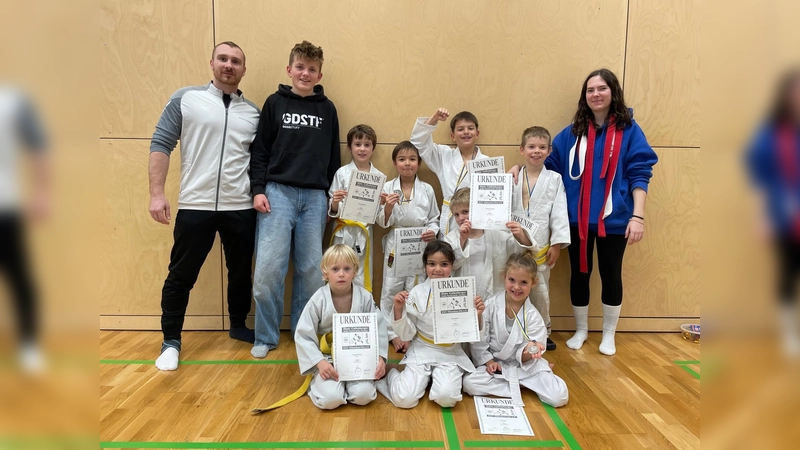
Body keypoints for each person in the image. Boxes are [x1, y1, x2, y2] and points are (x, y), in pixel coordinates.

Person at [149, 41, 260, 371]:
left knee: (241, 272)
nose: (229, 65)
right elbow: (161, 143)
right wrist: (157, 193)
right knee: (181, 274)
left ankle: (238, 325)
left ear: (243, 69)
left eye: (236, 61)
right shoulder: (186, 99)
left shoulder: (253, 112)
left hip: (239, 207)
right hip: (195, 205)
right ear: (211, 62)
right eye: (223, 59)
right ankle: (171, 341)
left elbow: (259, 161)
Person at [537, 68, 657, 356]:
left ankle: (608, 334)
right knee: (579, 274)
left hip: (614, 221)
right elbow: (548, 166)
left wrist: (637, 217)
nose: (596, 94)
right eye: (590, 90)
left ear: (612, 92)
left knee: (610, 273)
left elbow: (640, 173)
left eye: (602, 88)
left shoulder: (629, 131)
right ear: (585, 96)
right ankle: (581, 330)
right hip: (576, 221)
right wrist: (520, 168)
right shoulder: (572, 133)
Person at [249, 40, 341, 359]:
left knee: (311, 272)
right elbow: (260, 150)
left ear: (319, 74)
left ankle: (304, 335)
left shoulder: (327, 109)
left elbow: (333, 157)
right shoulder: (275, 103)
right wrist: (258, 189)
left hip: (316, 197)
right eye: (300, 67)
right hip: (277, 193)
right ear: (290, 70)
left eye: (311, 69)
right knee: (268, 270)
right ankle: (266, 335)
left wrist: (331, 199)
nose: (305, 73)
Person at [376, 240, 485, 409]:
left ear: (452, 265)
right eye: (432, 264)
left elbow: (473, 337)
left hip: (450, 351)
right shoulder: (417, 293)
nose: (438, 270)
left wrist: (477, 315)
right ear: (425, 265)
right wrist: (398, 309)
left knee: (447, 398)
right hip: (422, 348)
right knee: (404, 400)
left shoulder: (465, 292)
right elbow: (406, 335)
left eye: (444, 264)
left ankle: (434, 379)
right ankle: (392, 373)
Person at [463, 251, 569, 407]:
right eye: (511, 280)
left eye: (524, 282)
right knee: (469, 383)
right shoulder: (491, 305)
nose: (517, 287)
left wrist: (531, 350)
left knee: (559, 396)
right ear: (504, 277)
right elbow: (481, 340)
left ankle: (518, 382)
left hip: (525, 367)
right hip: (497, 366)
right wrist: (488, 361)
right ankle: (523, 385)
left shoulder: (533, 316)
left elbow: (533, 350)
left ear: (534, 282)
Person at [746, 68, 800, 355]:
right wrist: (762, 217)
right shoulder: (770, 133)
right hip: (785, 217)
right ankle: (789, 335)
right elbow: (759, 178)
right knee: (788, 274)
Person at [294, 245, 388, 409]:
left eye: (347, 268)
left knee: (363, 396)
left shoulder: (365, 297)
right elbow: (303, 334)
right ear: (325, 273)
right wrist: (320, 362)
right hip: (328, 359)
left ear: (355, 271)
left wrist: (380, 357)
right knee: (331, 399)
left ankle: (350, 388)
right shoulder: (319, 299)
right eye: (335, 269)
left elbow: (378, 328)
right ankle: (323, 386)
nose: (341, 274)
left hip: (359, 357)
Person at [0, 86, 49, 373]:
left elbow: (38, 147)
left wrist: (42, 193)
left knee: (19, 277)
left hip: (6, 206)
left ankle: (29, 345)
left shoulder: (12, 102)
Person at [376, 141, 440, 353]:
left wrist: (433, 231)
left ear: (419, 163)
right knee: (390, 289)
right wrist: (388, 207)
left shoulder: (427, 189)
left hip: (421, 243)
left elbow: (434, 218)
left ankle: (412, 334)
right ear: (395, 163)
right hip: (396, 243)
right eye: (402, 159)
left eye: (412, 159)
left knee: (417, 288)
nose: (407, 164)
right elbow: (381, 222)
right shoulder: (387, 187)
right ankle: (393, 335)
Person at [511, 126, 570, 351]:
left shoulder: (554, 179)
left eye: (542, 147)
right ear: (522, 149)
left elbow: (559, 212)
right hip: (514, 242)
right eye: (531, 147)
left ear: (549, 151)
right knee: (514, 287)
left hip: (541, 245)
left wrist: (557, 243)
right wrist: (512, 170)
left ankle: (542, 331)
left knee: (540, 290)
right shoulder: (513, 176)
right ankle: (514, 328)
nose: (536, 151)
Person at [443, 187, 535, 303]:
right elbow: (450, 265)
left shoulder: (497, 234)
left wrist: (521, 235)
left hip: (493, 294)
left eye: (465, 212)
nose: (461, 218)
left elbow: (519, 252)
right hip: (462, 296)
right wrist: (462, 239)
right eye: (456, 214)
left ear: (477, 210)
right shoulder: (451, 238)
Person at [410, 108, 489, 236]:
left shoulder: (487, 162)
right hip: (452, 218)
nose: (466, 132)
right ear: (453, 136)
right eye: (460, 129)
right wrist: (434, 118)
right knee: (449, 254)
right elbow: (419, 143)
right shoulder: (444, 155)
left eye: (470, 128)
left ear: (477, 133)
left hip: (477, 219)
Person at [328, 124, 385, 292]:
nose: (362, 149)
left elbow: (381, 217)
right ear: (349, 147)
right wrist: (335, 202)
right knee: (339, 274)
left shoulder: (379, 177)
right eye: (357, 144)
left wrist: (382, 204)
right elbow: (332, 208)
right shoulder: (342, 173)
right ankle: (337, 316)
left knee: (361, 277)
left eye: (367, 145)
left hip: (364, 232)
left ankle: (361, 317)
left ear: (373, 148)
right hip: (343, 231)